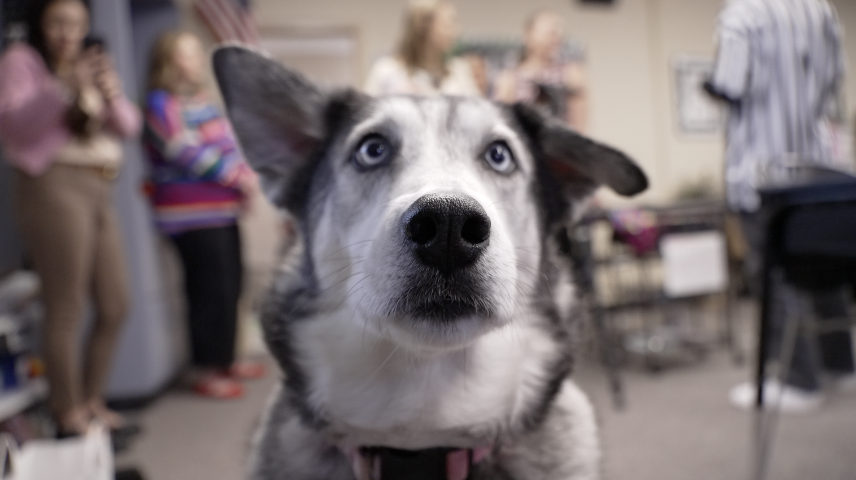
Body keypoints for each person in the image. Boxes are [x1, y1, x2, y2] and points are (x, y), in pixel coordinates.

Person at [0, 0, 141, 435]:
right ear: (41, 25)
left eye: (77, 24)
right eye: (59, 23)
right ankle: (68, 411)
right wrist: (63, 86)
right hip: (54, 185)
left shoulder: (89, 63)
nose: (68, 33)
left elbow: (128, 127)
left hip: (100, 186)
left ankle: (92, 398)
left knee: (116, 303)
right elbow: (14, 124)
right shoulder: (22, 61)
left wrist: (110, 91)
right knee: (66, 306)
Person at [707, 0, 854, 413]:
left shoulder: (743, 12)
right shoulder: (820, 10)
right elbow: (834, 81)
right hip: (817, 169)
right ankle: (841, 366)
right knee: (825, 270)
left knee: (774, 275)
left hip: (762, 173)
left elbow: (729, 83)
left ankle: (798, 380)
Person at [143, 31, 264, 399]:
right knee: (208, 291)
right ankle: (207, 368)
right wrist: (232, 176)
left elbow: (229, 144)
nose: (196, 61)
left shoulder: (204, 102)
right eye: (188, 54)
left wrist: (244, 176)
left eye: (198, 54)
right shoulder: (159, 103)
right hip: (188, 216)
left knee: (231, 286)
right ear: (169, 59)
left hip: (223, 211)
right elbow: (181, 148)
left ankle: (227, 358)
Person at [493, 10, 588, 132]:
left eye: (557, 33)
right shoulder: (510, 77)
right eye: (549, 33)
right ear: (528, 35)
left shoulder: (572, 73)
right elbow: (502, 121)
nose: (554, 38)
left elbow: (579, 126)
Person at [364, 0, 480, 97]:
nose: (456, 32)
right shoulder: (387, 71)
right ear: (423, 25)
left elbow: (479, 117)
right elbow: (365, 117)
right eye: (449, 24)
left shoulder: (459, 73)